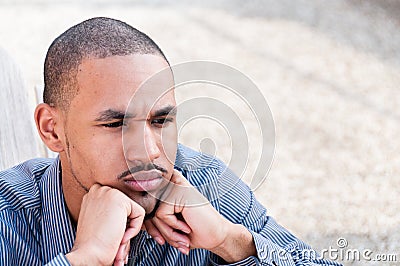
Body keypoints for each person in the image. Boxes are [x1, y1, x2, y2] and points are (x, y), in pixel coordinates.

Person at [0, 17, 341, 266]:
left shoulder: (206, 185)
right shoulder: (8, 216)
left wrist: (230, 241)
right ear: (52, 130)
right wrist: (85, 259)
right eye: (116, 124)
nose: (149, 151)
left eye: (161, 120)